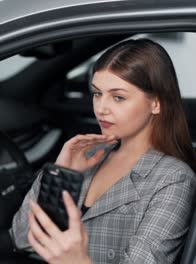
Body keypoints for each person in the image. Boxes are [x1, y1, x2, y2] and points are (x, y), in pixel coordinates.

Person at [10, 38, 196, 263]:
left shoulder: (173, 178)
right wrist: (61, 171)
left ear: (156, 103)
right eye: (98, 93)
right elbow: (21, 239)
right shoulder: (89, 155)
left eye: (118, 97)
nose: (101, 108)